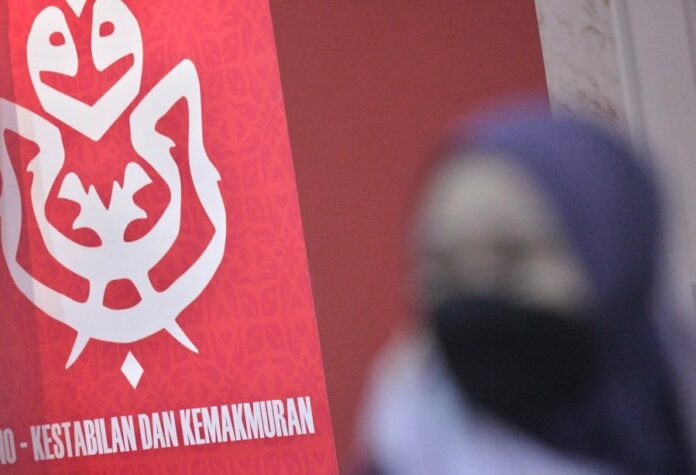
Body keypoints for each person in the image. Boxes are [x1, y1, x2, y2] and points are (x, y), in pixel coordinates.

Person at [357, 105, 695, 474]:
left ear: (612, 255)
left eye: (514, 255)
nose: (477, 286)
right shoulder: (398, 446)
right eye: (443, 267)